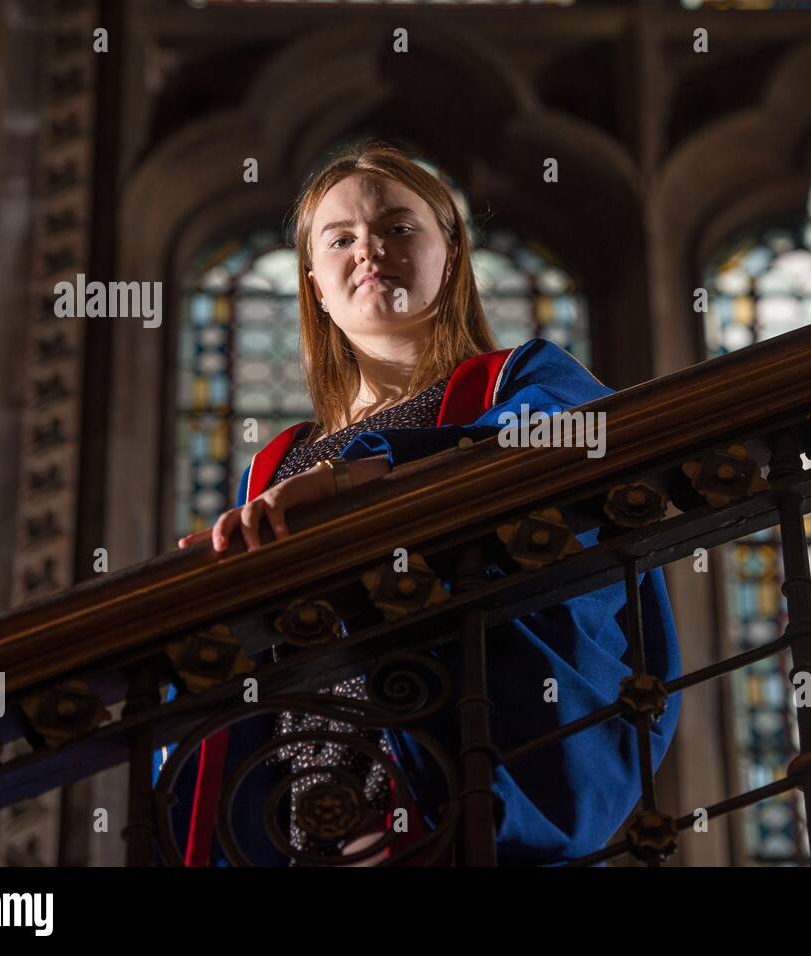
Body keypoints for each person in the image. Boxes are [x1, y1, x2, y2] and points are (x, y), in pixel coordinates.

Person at [161, 140, 682, 866]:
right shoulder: (277, 460)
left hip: (448, 747)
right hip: (302, 774)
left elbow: (581, 448)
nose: (369, 250)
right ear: (315, 285)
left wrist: (359, 477)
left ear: (452, 251)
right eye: (340, 239)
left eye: (399, 228)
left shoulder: (518, 378)